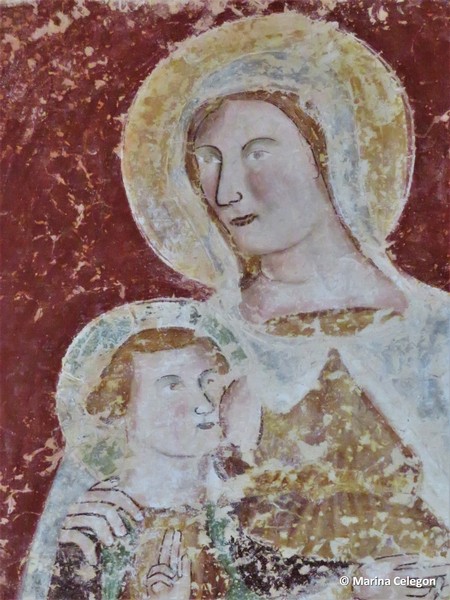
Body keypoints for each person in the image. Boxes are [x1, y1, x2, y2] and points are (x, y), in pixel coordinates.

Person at [120, 13, 449, 598]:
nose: (227, 192)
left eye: (258, 152)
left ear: (327, 154)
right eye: (208, 160)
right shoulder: (195, 350)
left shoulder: (438, 333)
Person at [47, 324, 350, 599]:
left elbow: (339, 579)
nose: (204, 404)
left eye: (209, 381)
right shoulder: (93, 525)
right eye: (173, 387)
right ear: (120, 407)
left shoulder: (258, 506)